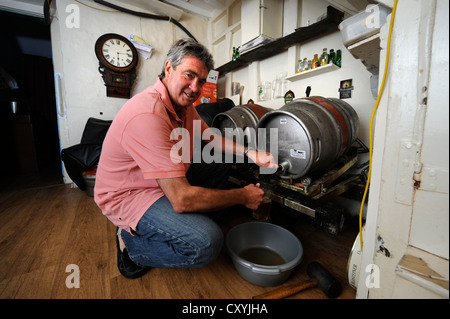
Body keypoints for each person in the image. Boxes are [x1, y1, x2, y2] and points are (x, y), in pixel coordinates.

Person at [94, 38, 278, 279]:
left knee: (220, 161)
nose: (195, 88)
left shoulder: (183, 105)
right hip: (131, 195)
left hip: (160, 181)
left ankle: (179, 223)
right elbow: (182, 199)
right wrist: (242, 196)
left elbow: (209, 136)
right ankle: (130, 242)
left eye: (201, 81)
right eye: (189, 76)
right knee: (207, 243)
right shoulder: (147, 114)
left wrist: (250, 152)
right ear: (169, 68)